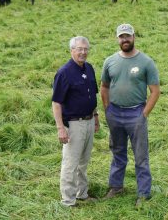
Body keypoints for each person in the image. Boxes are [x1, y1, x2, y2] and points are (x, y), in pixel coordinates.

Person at [101, 23, 160, 207]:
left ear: (134, 37)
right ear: (117, 39)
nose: (124, 40)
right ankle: (116, 187)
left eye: (127, 36)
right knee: (117, 152)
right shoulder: (110, 61)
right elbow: (104, 87)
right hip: (115, 113)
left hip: (136, 113)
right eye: (121, 37)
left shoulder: (146, 62)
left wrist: (143, 114)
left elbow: (155, 91)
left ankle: (143, 194)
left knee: (140, 155)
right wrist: (107, 109)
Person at [52, 36, 99, 207]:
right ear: (71, 50)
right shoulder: (64, 72)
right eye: (79, 49)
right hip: (73, 124)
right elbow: (56, 102)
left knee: (83, 161)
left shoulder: (89, 68)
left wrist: (95, 116)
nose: (83, 52)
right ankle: (68, 200)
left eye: (86, 49)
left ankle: (82, 193)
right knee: (70, 163)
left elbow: (92, 95)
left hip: (88, 121)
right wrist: (60, 128)